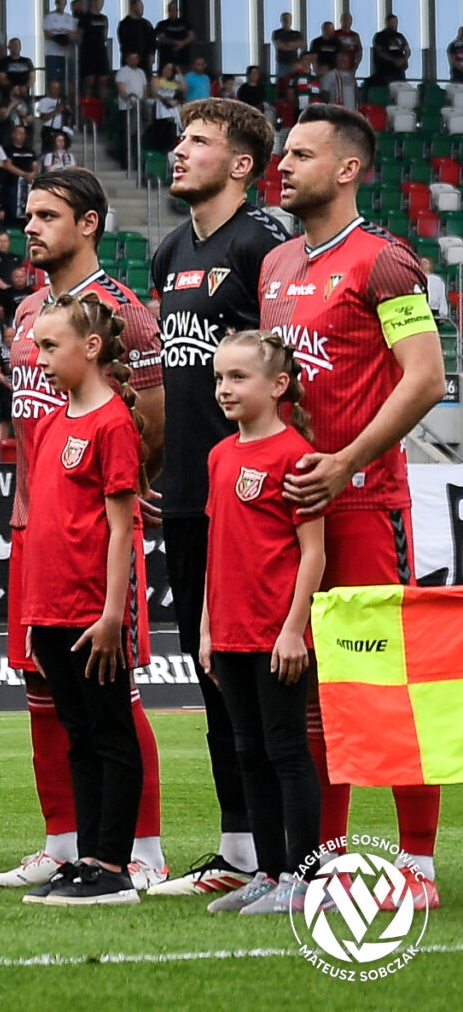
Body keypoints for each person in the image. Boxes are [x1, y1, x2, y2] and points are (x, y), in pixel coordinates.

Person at [262, 104, 446, 900]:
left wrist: (345, 463)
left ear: (348, 169)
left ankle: (417, 865)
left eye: (301, 154)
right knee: (310, 690)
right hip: (295, 511)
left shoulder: (385, 262)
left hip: (367, 504)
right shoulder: (275, 266)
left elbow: (427, 377)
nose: (283, 164)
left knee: (386, 684)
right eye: (283, 152)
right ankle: (323, 858)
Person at [0, 169, 168, 891]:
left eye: (46, 215)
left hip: (95, 530)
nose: (30, 227)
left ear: (89, 223)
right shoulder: (26, 311)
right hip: (34, 524)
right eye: (28, 215)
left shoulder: (126, 312)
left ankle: (142, 849)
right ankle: (63, 843)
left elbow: (151, 427)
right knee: (44, 688)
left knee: (112, 695)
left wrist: (99, 497)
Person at [146, 99, 293, 899]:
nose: (179, 150)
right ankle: (239, 848)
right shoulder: (170, 250)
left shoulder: (263, 242)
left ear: (241, 164)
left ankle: (290, 852)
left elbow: (286, 370)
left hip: (253, 498)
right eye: (180, 137)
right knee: (212, 677)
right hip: (187, 495)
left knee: (265, 684)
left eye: (198, 140)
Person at [13, 293, 148, 907]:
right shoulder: (50, 424)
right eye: (37, 346)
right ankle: (87, 859)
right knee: (79, 735)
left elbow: (122, 528)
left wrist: (113, 614)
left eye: (50, 346)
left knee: (110, 732)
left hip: (92, 612)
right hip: (50, 611)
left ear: (91, 348)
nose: (39, 358)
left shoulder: (112, 423)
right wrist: (33, 614)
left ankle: (113, 865)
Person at [199, 331, 329, 917]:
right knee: (248, 751)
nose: (224, 389)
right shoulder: (219, 455)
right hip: (229, 634)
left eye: (238, 377)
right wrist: (207, 629)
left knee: (286, 750)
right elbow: (216, 548)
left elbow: (313, 553)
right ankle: (269, 871)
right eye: (219, 377)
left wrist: (294, 629)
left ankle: (305, 879)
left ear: (278, 385)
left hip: (276, 636)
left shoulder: (295, 456)